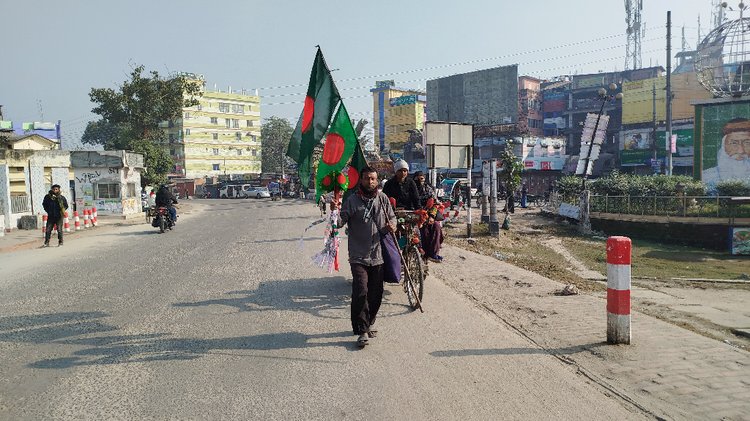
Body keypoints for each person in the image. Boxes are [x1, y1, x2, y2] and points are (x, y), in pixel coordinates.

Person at [331, 166, 396, 348]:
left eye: (373, 179)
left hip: (378, 254)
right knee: (361, 291)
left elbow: (392, 218)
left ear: (377, 180)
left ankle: (369, 321)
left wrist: (393, 226)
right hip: (358, 255)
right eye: (367, 178)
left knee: (376, 293)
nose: (370, 182)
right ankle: (361, 330)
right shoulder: (352, 201)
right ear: (361, 180)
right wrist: (334, 212)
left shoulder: (382, 199)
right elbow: (339, 223)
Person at [702, 118, 750, 191]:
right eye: (734, 143)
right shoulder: (706, 177)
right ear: (723, 146)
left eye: (747, 143)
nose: (741, 151)